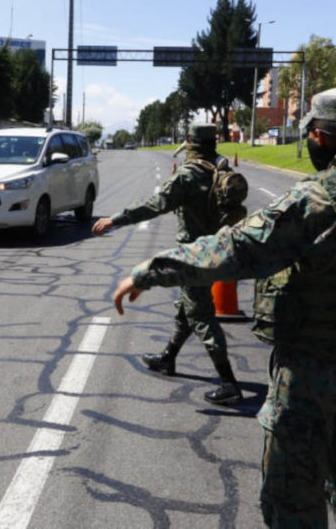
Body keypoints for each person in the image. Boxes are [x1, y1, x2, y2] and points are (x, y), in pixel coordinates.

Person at [111, 88, 336, 527]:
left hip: (309, 377)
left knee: (293, 501)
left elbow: (237, 249)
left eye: (311, 133)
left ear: (319, 136)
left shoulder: (318, 198)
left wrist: (150, 271)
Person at [93, 122, 243, 406]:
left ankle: (229, 382)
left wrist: (116, 220)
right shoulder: (221, 169)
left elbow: (154, 205)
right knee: (186, 309)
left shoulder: (188, 175)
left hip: (192, 257)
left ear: (190, 144)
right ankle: (168, 357)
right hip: (217, 250)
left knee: (201, 316)